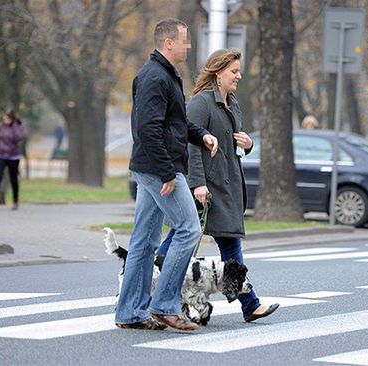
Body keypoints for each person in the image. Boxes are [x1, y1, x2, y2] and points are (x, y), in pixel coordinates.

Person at [157, 48, 279, 322]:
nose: (239, 75)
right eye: (234, 71)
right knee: (181, 240)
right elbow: (191, 144)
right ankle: (152, 287)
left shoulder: (232, 103)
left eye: (239, 70)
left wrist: (248, 145)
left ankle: (250, 304)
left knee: (230, 246)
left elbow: (231, 144)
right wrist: (198, 183)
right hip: (206, 187)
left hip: (228, 185)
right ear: (218, 72)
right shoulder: (201, 103)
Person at [114, 18, 218, 332]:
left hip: (152, 167)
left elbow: (175, 124)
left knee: (144, 241)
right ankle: (164, 305)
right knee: (188, 230)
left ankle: (130, 311)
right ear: (168, 43)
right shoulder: (154, 77)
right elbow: (147, 129)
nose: (188, 46)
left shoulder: (165, 75)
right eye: (184, 41)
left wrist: (201, 136)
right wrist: (167, 172)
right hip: (159, 169)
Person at [0, 108, 24, 210]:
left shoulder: (17, 126)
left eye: (7, 118)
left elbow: (18, 138)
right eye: (4, 117)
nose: (5, 119)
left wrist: (14, 125)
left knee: (13, 179)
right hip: (0, 154)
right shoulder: (0, 126)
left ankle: (15, 200)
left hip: (13, 156)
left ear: (11, 118)